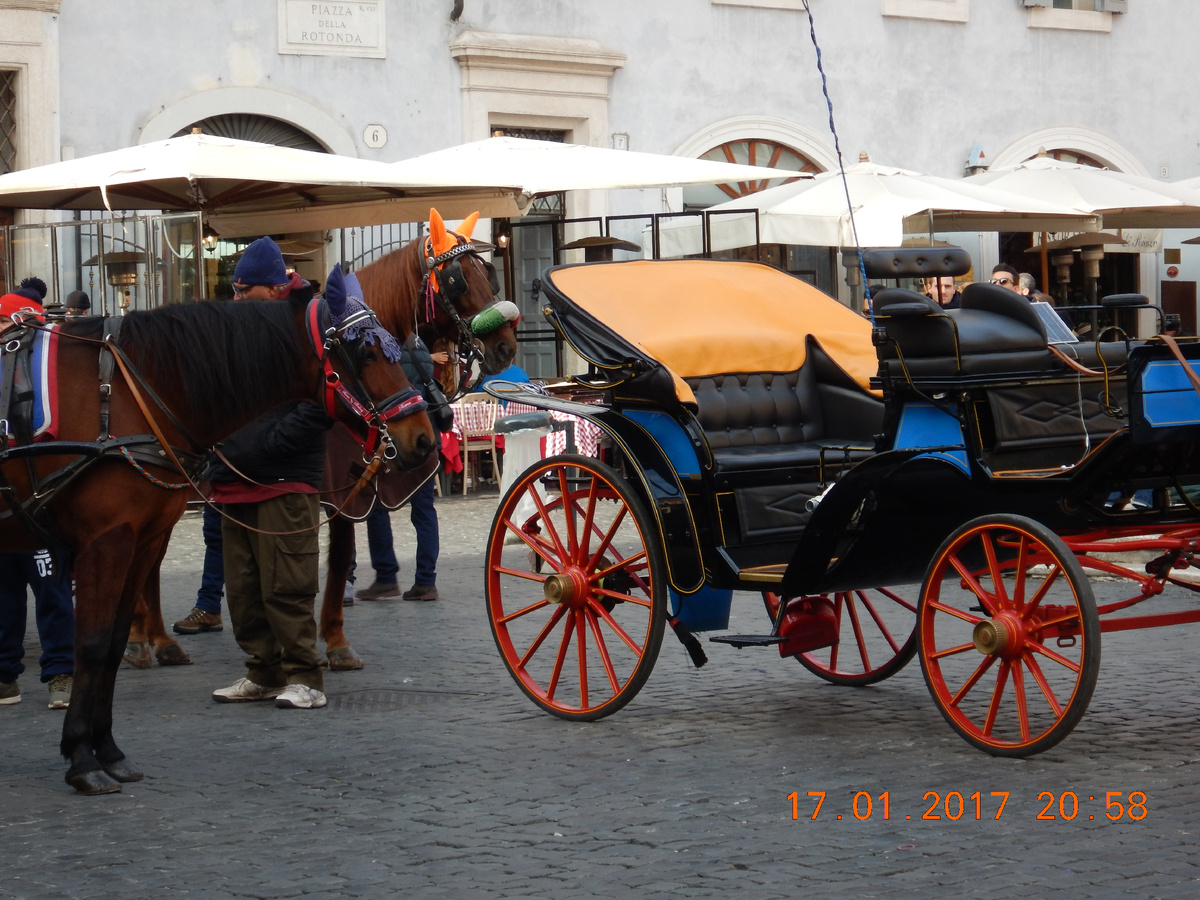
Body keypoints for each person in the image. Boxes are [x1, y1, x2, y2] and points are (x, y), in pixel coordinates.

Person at [208, 237, 332, 710]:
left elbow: (320, 401)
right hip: (235, 477)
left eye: (245, 291)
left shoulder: (309, 322)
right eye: (235, 292)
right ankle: (262, 670)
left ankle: (305, 676)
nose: (237, 300)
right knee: (242, 586)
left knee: (286, 583)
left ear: (274, 288)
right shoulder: (244, 327)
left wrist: (268, 446)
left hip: (283, 476)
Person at [0, 281, 74, 709]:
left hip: (39, 503)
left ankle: (60, 673)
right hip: (8, 502)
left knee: (51, 592)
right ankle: (7, 675)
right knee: (6, 594)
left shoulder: (42, 373)